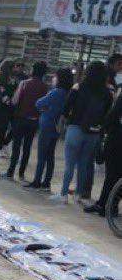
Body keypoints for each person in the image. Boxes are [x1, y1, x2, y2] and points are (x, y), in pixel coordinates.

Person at [51, 61, 112, 205]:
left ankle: (64, 194)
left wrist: (64, 122)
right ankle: (78, 194)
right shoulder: (107, 92)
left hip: (75, 128)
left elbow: (66, 108)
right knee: (84, 164)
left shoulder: (78, 87)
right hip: (93, 132)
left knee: (69, 164)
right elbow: (107, 114)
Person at [25, 68, 73, 190]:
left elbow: (39, 103)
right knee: (50, 155)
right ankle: (47, 182)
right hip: (57, 127)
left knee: (42, 156)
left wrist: (45, 109)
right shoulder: (68, 93)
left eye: (55, 76)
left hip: (47, 126)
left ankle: (37, 181)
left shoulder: (56, 92)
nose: (53, 78)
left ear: (60, 78)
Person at [5, 61, 48, 180]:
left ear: (33, 70)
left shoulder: (24, 83)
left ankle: (10, 171)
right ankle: (21, 173)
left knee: (16, 146)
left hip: (20, 118)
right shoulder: (45, 87)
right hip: (34, 121)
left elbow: (15, 100)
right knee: (27, 147)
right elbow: (44, 106)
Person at [85, 91, 122, 216]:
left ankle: (103, 205)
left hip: (117, 141)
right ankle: (113, 206)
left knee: (111, 175)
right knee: (118, 177)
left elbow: (113, 115)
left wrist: (103, 127)